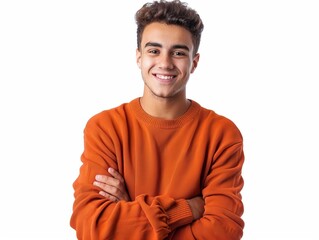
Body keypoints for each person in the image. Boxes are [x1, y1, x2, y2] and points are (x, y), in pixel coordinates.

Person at [70, 0, 245, 239]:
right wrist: (189, 208)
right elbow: (92, 225)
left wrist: (130, 210)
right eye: (154, 50)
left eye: (178, 52)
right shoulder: (105, 128)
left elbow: (223, 231)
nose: (165, 63)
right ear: (139, 57)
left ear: (194, 62)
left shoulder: (222, 134)